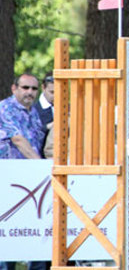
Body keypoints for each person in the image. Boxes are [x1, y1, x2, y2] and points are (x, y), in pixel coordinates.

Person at [0, 73, 46, 270]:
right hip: (7, 178)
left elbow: (39, 141)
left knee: (34, 228)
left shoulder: (33, 112)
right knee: (6, 230)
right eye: (25, 88)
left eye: (34, 89)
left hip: (29, 179)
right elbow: (18, 140)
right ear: (14, 88)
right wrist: (41, 166)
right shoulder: (4, 109)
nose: (30, 92)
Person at [33, 73, 54, 158]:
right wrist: (47, 127)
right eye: (52, 92)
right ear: (43, 88)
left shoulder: (69, 109)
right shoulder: (33, 110)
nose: (56, 96)